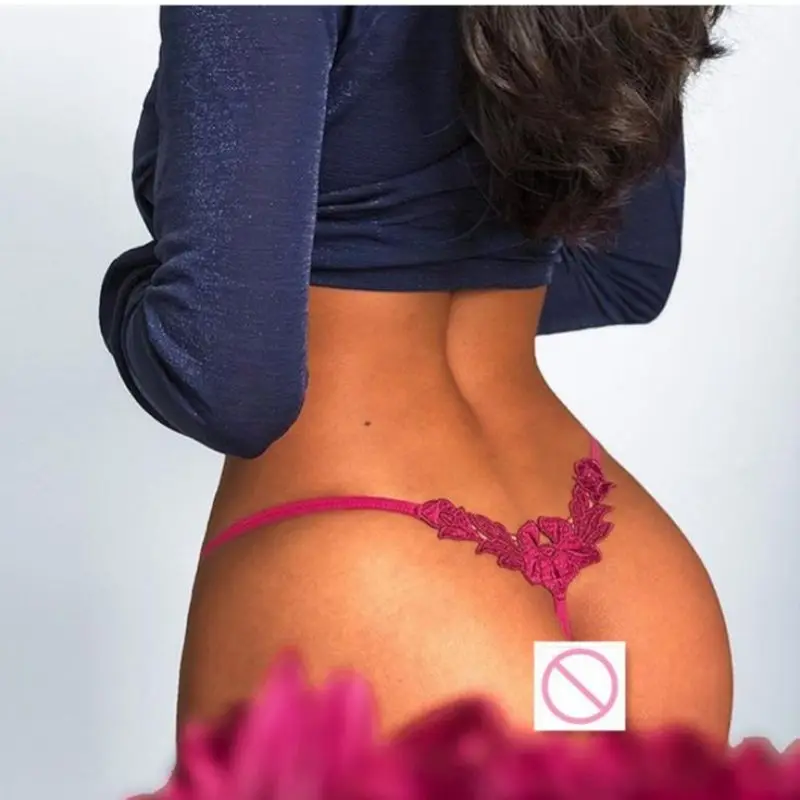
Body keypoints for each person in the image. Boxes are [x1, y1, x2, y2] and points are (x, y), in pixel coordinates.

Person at [100, 6, 733, 743]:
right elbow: (625, 272)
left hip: (375, 585)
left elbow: (232, 382)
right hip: (630, 575)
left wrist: (133, 293)